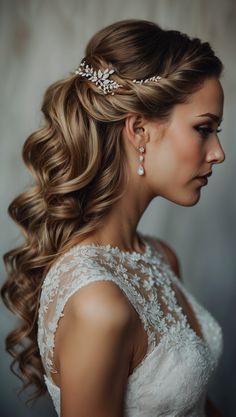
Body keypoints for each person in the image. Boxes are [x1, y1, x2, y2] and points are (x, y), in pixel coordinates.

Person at [1, 18, 226, 417]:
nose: (218, 153)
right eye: (204, 129)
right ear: (139, 129)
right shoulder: (97, 301)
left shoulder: (160, 256)